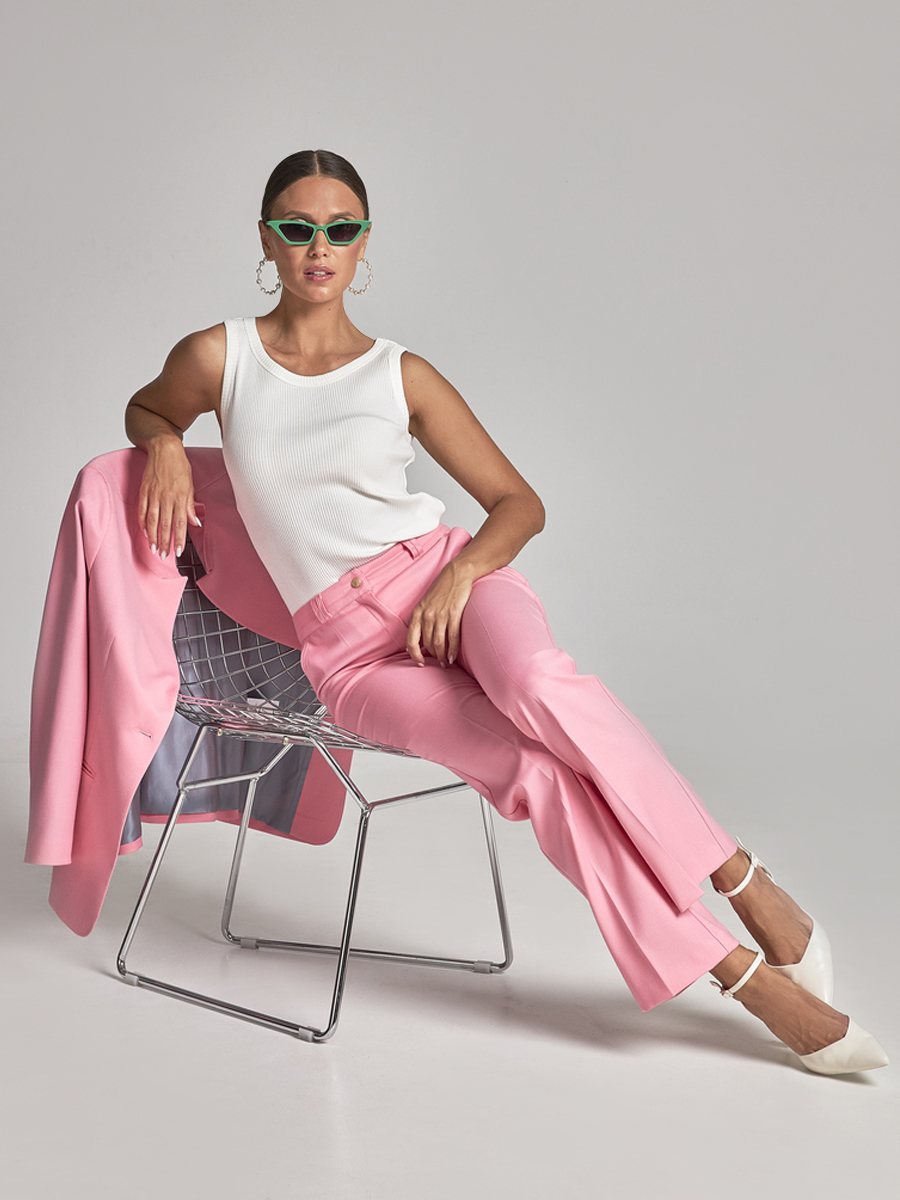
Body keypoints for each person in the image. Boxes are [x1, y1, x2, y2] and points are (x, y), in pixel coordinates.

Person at [125, 149, 887, 1075]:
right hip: (351, 657)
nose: (319, 247)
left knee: (537, 685)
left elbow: (518, 503)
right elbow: (147, 410)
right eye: (298, 227)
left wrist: (460, 576)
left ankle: (742, 879)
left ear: (363, 244)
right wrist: (165, 442)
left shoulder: (400, 374)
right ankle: (743, 979)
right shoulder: (220, 357)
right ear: (265, 239)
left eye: (340, 229)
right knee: (533, 774)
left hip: (448, 580)